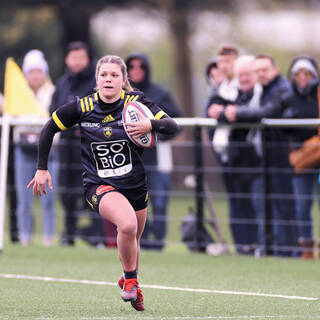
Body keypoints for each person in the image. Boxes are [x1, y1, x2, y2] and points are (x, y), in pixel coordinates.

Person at [27, 55, 179, 311]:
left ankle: (130, 279)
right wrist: (42, 168)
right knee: (127, 225)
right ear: (97, 79)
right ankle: (130, 281)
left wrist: (148, 124)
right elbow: (48, 128)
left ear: (123, 80)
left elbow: (171, 126)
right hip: (99, 185)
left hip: (135, 184)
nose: (109, 79)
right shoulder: (82, 107)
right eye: (104, 75)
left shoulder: (136, 103)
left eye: (114, 75)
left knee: (133, 238)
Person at [225, 54, 298, 257]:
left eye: (264, 70)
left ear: (274, 69)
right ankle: (279, 249)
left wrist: (238, 114)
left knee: (285, 206)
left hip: (282, 157)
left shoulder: (281, 88)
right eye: (257, 71)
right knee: (273, 206)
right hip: (270, 158)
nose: (260, 74)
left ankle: (290, 251)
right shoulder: (266, 89)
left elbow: (270, 111)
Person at [125, 53, 182, 250]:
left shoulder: (159, 94)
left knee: (159, 202)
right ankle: (142, 241)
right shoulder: (121, 97)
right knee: (135, 203)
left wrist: (156, 134)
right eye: (131, 68)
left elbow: (177, 122)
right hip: (131, 160)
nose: (136, 71)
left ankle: (158, 242)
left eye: (140, 67)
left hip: (157, 160)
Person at [50, 41, 103, 246]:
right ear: (67, 59)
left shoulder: (96, 81)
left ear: (88, 59)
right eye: (73, 57)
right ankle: (69, 234)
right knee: (67, 192)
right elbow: (53, 111)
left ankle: (97, 237)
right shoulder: (62, 84)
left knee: (93, 191)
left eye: (81, 57)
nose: (77, 61)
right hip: (67, 148)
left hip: (90, 148)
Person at [206, 55, 262, 254]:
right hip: (234, 159)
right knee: (237, 205)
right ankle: (241, 247)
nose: (244, 78)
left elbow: (256, 112)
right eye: (241, 75)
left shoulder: (259, 94)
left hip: (257, 161)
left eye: (248, 74)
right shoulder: (232, 93)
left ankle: (257, 246)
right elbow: (217, 111)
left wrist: (234, 113)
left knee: (255, 205)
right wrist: (225, 112)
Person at [13, 49, 57, 246]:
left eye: (39, 71)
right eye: (32, 71)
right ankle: (25, 237)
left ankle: (48, 237)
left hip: (50, 152)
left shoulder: (53, 92)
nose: (35, 75)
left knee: (49, 197)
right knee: (24, 198)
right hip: (23, 149)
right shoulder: (17, 94)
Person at [284, 55, 320, 259]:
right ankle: (306, 247)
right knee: (302, 205)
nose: (302, 77)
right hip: (302, 158)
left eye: (307, 73)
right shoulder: (288, 97)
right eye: (298, 73)